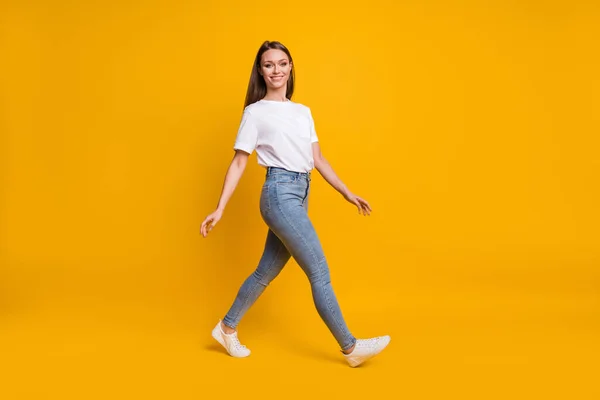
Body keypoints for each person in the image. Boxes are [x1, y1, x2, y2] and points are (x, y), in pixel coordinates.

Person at [200, 40, 390, 367]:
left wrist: (346, 192)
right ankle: (350, 347)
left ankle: (227, 327)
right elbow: (239, 162)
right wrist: (220, 207)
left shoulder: (303, 113)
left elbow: (317, 158)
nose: (277, 70)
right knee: (319, 271)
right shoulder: (255, 112)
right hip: (278, 193)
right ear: (260, 71)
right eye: (269, 65)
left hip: (300, 194)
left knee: (264, 272)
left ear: (290, 68)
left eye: (282, 63)